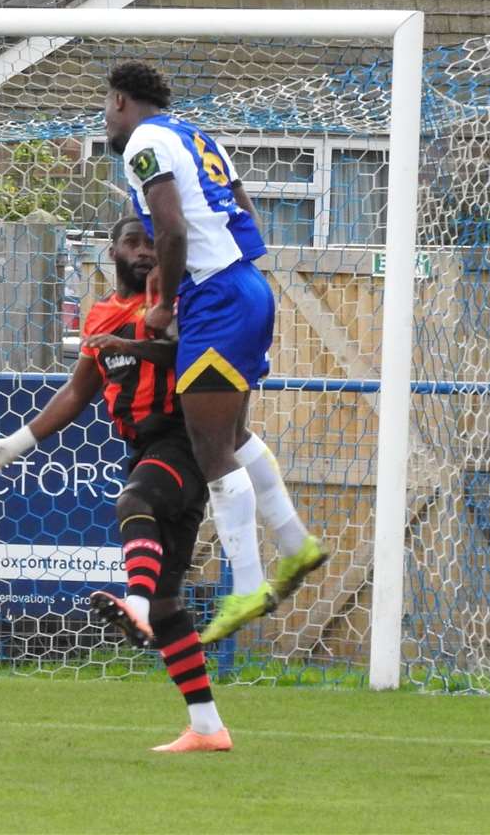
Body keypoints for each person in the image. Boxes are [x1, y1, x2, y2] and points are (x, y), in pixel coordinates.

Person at [0, 217, 230, 751]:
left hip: (186, 439)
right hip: (146, 447)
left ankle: (132, 602)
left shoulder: (179, 302)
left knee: (133, 500)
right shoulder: (103, 315)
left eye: (152, 242)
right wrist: (11, 447)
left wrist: (132, 346)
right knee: (167, 604)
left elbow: (192, 357)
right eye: (132, 242)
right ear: (111, 251)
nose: (143, 251)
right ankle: (208, 727)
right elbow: (75, 393)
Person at [103, 61, 327, 644]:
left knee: (209, 452)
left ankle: (249, 586)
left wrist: (166, 304)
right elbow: (247, 213)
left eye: (107, 106)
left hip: (216, 297)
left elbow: (171, 231)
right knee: (231, 438)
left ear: (122, 101)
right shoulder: (198, 136)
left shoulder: (144, 144)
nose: (107, 118)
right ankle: (295, 543)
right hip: (246, 286)